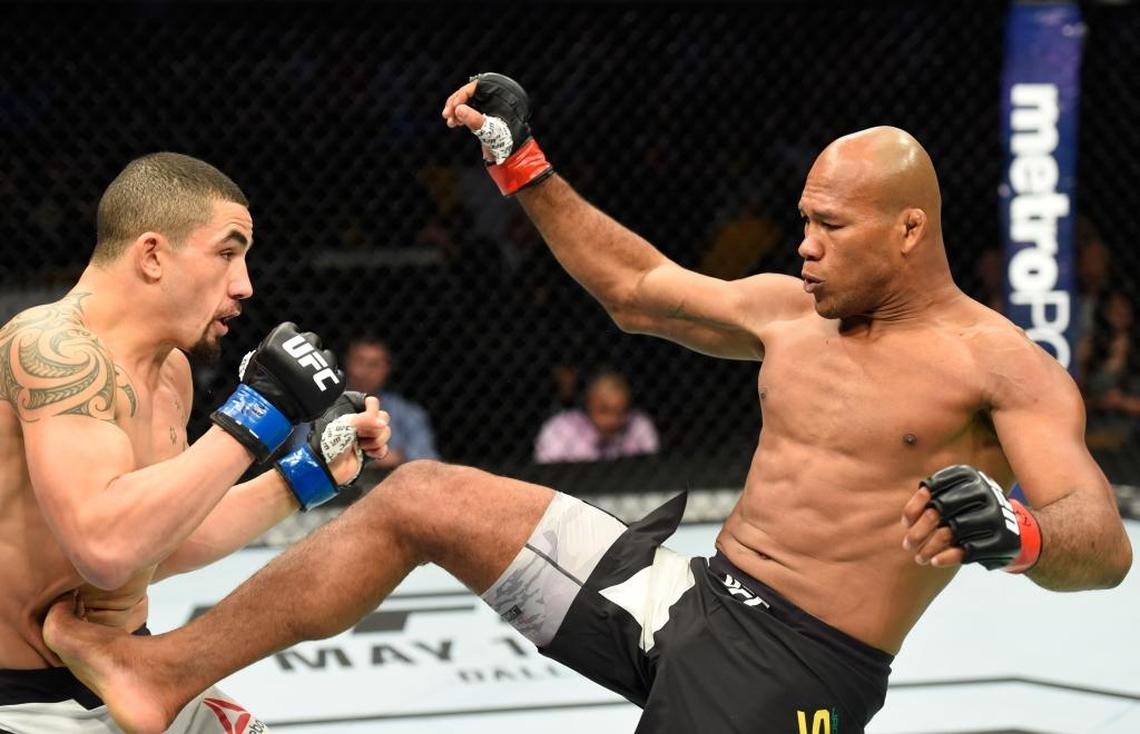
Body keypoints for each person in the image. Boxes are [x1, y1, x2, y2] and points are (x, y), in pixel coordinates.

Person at [44, 76, 1132, 734]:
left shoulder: (999, 364)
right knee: (418, 495)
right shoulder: (794, 309)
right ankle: (159, 673)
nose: (802, 245)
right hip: (696, 597)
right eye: (801, 219)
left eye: (829, 227)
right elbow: (636, 287)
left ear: (908, 230)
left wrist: (1023, 531)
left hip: (796, 670)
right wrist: (523, 165)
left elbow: (1102, 539)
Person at [0, 152, 390, 732]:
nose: (245, 285)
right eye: (227, 253)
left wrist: (310, 473)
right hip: (23, 701)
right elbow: (105, 550)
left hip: (135, 668)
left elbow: (162, 541)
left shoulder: (171, 372)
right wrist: (259, 415)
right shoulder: (48, 348)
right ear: (153, 255)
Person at [342, 334, 439, 467]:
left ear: (387, 369)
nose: (366, 371)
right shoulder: (323, 408)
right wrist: (394, 457)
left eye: (374, 364)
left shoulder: (408, 412)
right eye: (360, 362)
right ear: (347, 364)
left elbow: (428, 460)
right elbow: (306, 454)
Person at [534, 368, 659, 463]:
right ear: (588, 403)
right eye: (604, 410)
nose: (613, 420)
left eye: (621, 411)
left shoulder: (639, 425)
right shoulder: (561, 427)